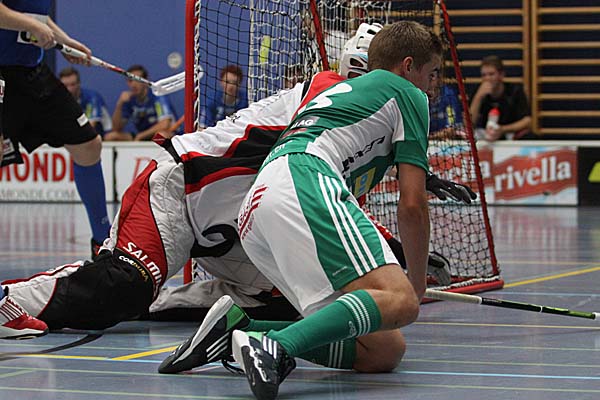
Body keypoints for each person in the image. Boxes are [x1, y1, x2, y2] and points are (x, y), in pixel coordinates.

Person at [3, 23, 471, 336]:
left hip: (237, 231)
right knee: (123, 285)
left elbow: (333, 215)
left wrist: (395, 250)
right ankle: (11, 299)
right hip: (182, 192)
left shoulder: (356, 150)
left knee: (303, 301)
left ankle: (191, 304)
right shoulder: (330, 90)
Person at [233, 20, 441, 400]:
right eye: (432, 73)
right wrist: (416, 283)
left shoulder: (350, 93)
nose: (432, 85)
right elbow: (413, 205)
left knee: (382, 349)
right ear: (408, 66)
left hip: (257, 207)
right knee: (401, 300)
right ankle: (275, 347)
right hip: (304, 178)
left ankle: (239, 328)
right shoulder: (408, 93)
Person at [0, 1, 111, 259]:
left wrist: (65, 41)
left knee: (88, 146)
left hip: (32, 73)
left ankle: (102, 243)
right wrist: (30, 25)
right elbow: (27, 20)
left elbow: (34, 14)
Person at [104, 64, 175, 141]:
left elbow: (164, 124)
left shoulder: (157, 96)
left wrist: (141, 136)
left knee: (161, 136)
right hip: (141, 136)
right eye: (130, 81)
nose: (133, 85)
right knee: (111, 137)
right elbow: (116, 128)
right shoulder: (129, 99)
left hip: (158, 134)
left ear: (146, 81)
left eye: (137, 80)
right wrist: (119, 104)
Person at [468, 55, 532, 141]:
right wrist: (478, 98)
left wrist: (502, 129)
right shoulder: (478, 91)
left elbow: (527, 121)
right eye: (484, 75)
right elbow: (469, 123)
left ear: (501, 75)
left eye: (491, 74)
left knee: (529, 136)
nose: (487, 78)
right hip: (485, 134)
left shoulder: (515, 91)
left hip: (509, 132)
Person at [59, 66, 112, 137]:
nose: (69, 89)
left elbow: (90, 126)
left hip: (101, 137)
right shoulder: (59, 101)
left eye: (73, 84)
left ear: (79, 84)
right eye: (65, 85)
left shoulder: (92, 97)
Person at [199, 64, 248, 128]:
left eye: (234, 83)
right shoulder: (212, 100)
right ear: (221, 82)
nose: (231, 86)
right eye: (227, 82)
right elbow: (202, 127)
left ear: (240, 84)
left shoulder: (246, 101)